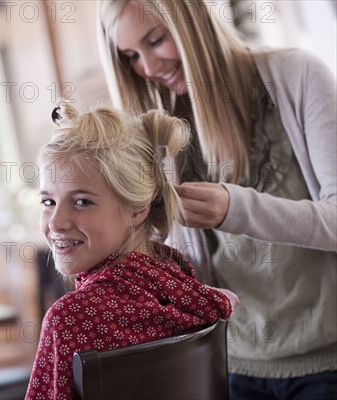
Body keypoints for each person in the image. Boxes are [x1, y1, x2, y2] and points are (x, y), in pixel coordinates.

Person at [98, 1, 337, 398]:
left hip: (326, 359)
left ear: (194, 21)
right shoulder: (165, 130)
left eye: (156, 40)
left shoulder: (300, 76)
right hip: (232, 366)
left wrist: (235, 208)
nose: (149, 67)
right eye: (131, 56)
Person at [25, 102, 237, 399]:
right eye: (48, 202)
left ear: (137, 208)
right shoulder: (181, 283)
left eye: (82, 201)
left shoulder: (70, 319)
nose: (57, 223)